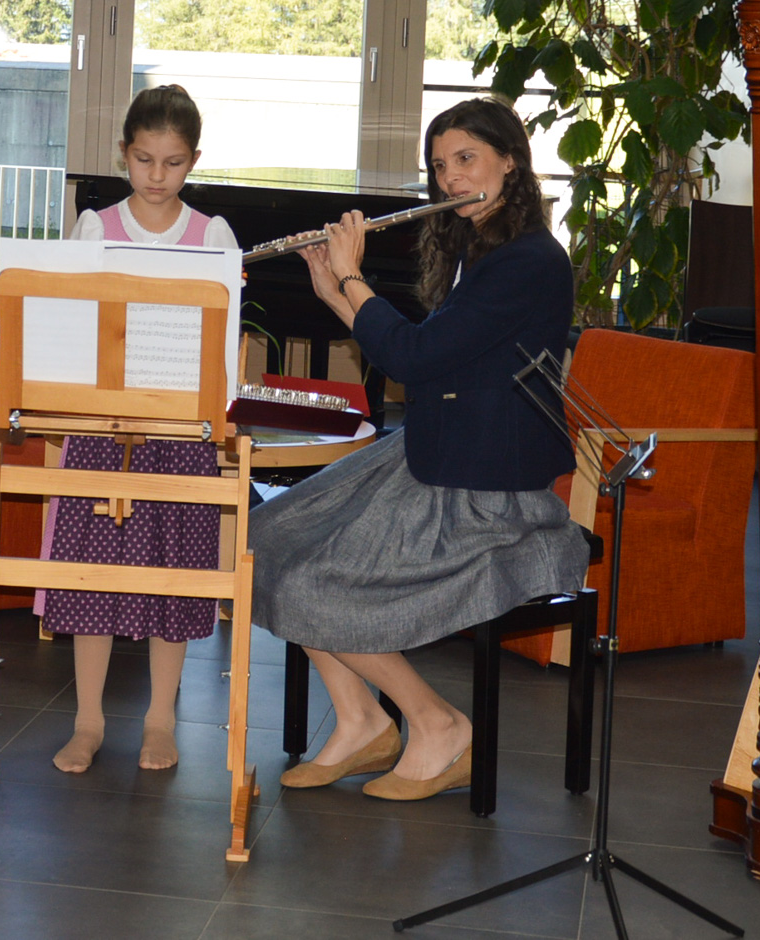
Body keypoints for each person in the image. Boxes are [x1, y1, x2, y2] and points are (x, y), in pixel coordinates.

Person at [252, 97, 595, 801]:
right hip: (434, 453)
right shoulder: (484, 250)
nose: (452, 181)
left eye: (467, 160)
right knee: (270, 538)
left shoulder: (531, 261)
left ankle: (436, 724)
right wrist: (334, 290)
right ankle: (359, 723)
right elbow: (431, 356)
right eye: (441, 168)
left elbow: (413, 357)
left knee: (309, 583)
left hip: (485, 487)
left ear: (510, 160)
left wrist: (353, 276)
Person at [44, 85, 242, 774]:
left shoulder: (212, 234)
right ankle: (88, 720)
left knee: (173, 574)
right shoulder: (96, 227)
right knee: (92, 572)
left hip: (179, 434)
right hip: (102, 426)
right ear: (123, 153)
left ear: (193, 161)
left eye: (174, 163)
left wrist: (210, 411)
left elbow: (223, 349)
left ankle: (161, 720)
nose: (158, 178)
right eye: (144, 159)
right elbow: (68, 328)